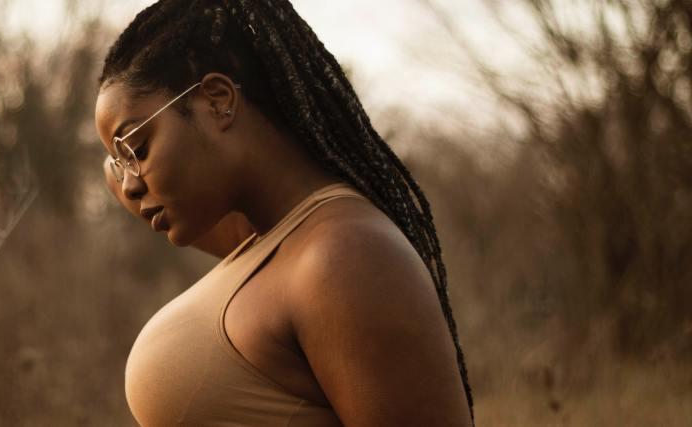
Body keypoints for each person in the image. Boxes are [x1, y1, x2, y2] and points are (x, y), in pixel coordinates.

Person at [93, 1, 474, 425]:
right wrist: (124, 148)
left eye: (137, 150)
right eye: (121, 161)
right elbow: (118, 182)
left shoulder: (345, 257)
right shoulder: (264, 242)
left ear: (218, 101)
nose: (129, 182)